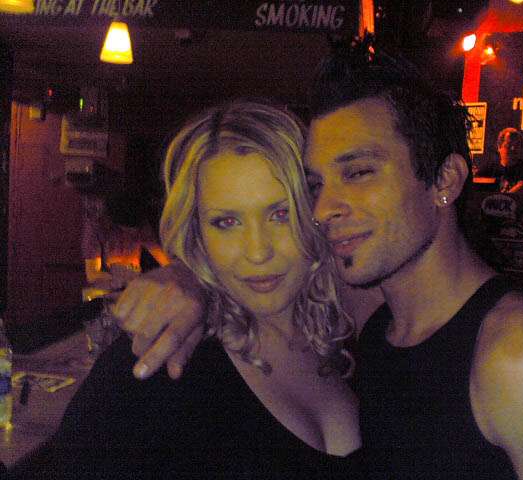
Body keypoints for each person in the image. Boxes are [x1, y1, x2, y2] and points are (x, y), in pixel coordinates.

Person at [114, 43, 523, 479]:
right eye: (315, 185)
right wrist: (189, 278)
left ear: (445, 181)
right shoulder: (372, 321)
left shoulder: (522, 357)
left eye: (358, 173)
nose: (323, 209)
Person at [8, 101, 363, 479]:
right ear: (197, 234)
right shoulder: (157, 365)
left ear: (314, 210)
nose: (258, 251)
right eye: (226, 222)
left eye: (280, 214)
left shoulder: (351, 333)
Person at [82, 190, 170, 291]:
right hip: (107, 289)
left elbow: (167, 262)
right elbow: (92, 274)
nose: (133, 236)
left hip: (135, 286)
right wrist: (120, 280)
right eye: (127, 231)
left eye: (136, 232)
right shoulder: (96, 226)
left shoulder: (142, 224)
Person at [492, 127, 523, 193]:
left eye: (517, 145)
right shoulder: (489, 169)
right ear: (499, 147)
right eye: (509, 144)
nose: (513, 148)